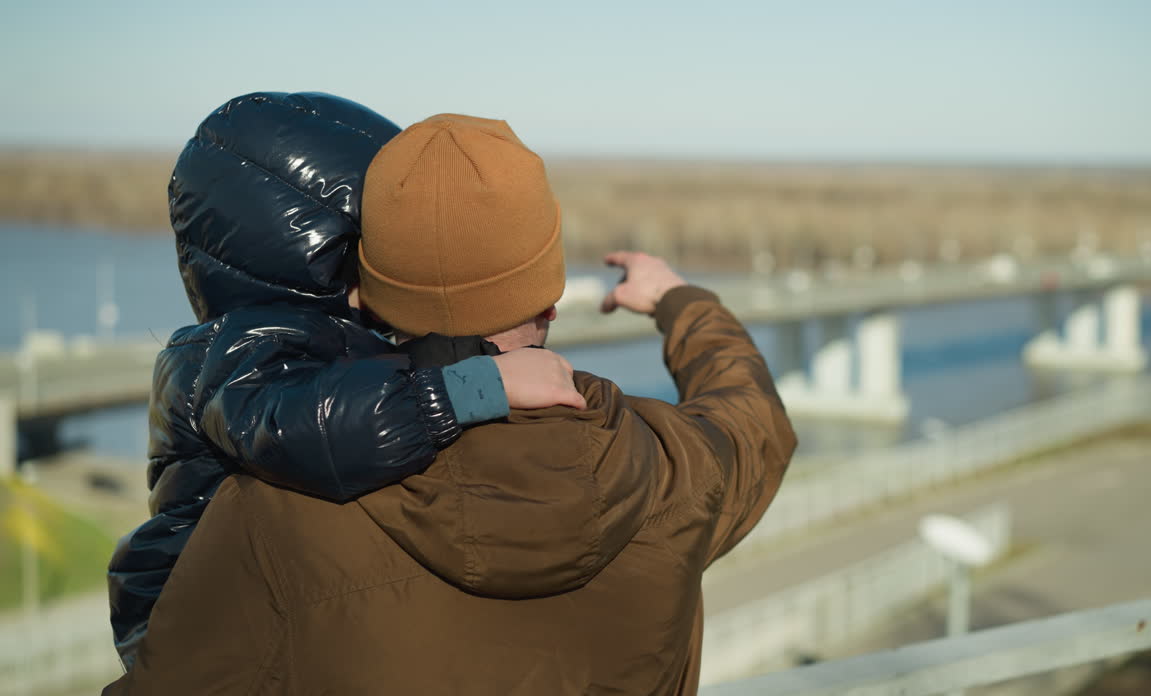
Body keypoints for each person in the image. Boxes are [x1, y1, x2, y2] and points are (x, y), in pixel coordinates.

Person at [105, 114, 796, 695]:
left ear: (367, 293)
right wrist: (679, 302)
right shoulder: (669, 467)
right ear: (549, 298)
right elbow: (754, 416)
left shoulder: (273, 507)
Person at [106, 94, 585, 668]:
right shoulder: (234, 356)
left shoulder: (308, 336)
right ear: (320, 253)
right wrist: (476, 385)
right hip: (196, 626)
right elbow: (321, 429)